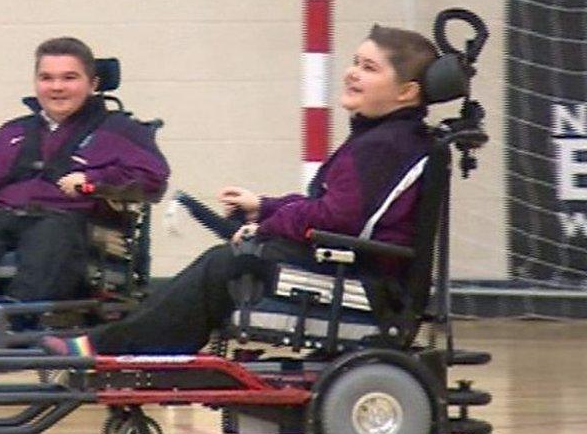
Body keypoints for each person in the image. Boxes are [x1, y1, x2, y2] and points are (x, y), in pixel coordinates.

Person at [42, 24, 439, 356]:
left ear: (406, 92)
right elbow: (331, 208)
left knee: (227, 264)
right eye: (355, 62)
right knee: (225, 259)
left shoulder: (383, 145)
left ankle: (111, 348)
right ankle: (116, 343)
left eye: (369, 68)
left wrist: (267, 228)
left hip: (367, 287)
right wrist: (263, 207)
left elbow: (337, 217)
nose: (352, 72)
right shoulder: (390, 138)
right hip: (363, 270)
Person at [0, 37, 170, 321]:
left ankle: (15, 322)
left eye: (69, 78)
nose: (57, 87)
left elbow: (152, 178)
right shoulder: (15, 131)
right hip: (1, 217)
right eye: (47, 78)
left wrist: (92, 180)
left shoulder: (122, 131)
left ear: (93, 84)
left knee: (51, 235)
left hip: (69, 221)